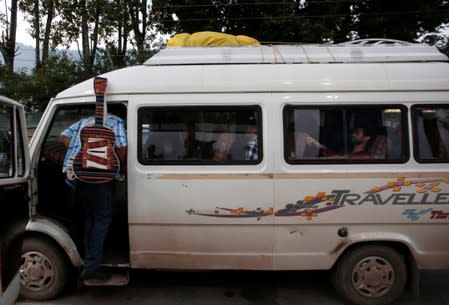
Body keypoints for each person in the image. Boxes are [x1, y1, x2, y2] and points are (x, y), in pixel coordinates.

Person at [60, 113, 127, 281]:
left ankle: (88, 257)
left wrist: (82, 154)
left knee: (90, 217)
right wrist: (114, 161)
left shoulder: (83, 121)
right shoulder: (115, 121)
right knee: (102, 218)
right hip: (101, 177)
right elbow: (122, 145)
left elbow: (64, 136)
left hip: (80, 176)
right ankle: (92, 266)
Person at [305, 126, 372, 159]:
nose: (353, 135)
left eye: (357, 133)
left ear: (366, 138)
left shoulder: (364, 156)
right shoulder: (349, 152)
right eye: (354, 132)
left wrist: (319, 145)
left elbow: (337, 158)